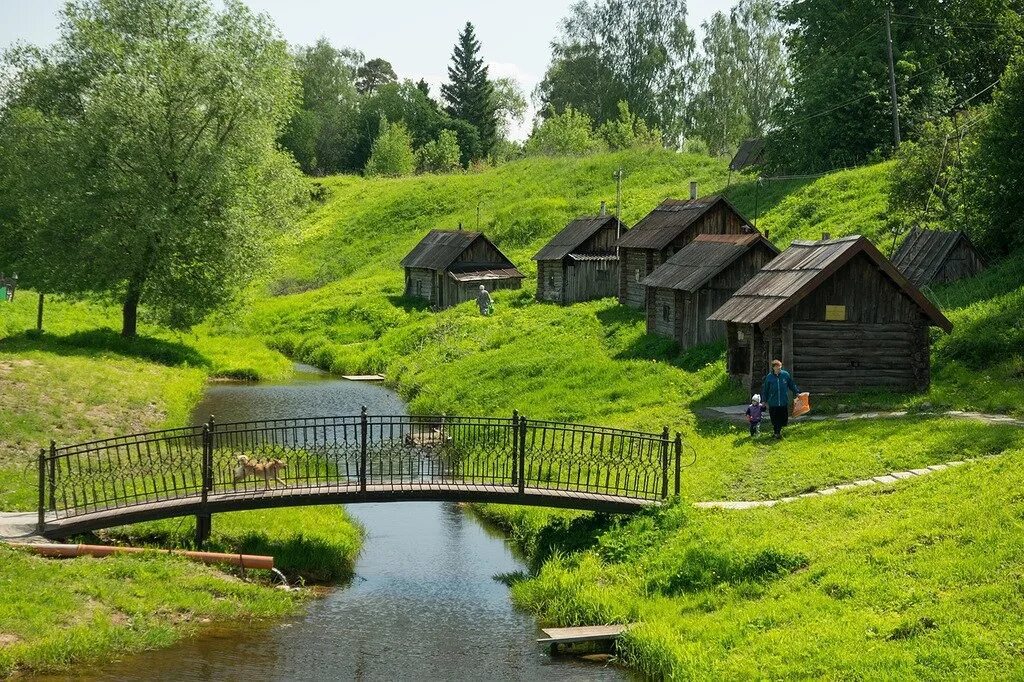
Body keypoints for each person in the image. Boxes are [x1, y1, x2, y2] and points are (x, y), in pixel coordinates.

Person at [762, 359, 799, 439]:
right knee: (775, 418)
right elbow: (765, 389)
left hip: (783, 401)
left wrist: (797, 392)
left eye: (780, 367)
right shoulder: (769, 377)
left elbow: (791, 384)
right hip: (773, 402)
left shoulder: (785, 375)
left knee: (783, 419)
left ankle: (778, 431)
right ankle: (777, 433)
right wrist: (764, 400)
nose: (779, 369)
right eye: (777, 368)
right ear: (773, 368)